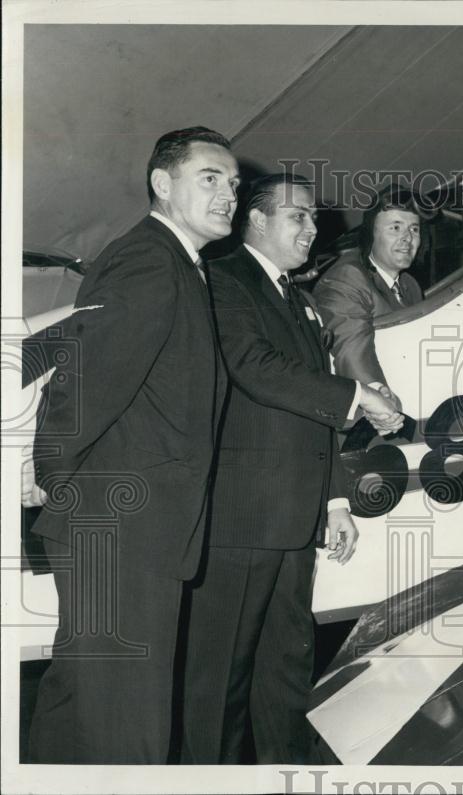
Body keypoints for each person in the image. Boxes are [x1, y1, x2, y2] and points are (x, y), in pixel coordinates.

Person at [26, 127, 239, 763]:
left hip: (128, 526)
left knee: (84, 712)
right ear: (162, 184)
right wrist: (57, 473)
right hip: (120, 527)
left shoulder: (181, 266)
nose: (228, 193)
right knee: (128, 728)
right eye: (210, 178)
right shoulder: (152, 258)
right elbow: (86, 369)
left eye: (233, 183)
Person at [180, 174, 402, 764]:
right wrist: (359, 397)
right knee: (221, 678)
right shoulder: (222, 283)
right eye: (298, 217)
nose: (313, 229)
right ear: (256, 221)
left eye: (312, 219)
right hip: (241, 520)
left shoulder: (299, 303)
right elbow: (255, 366)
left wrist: (334, 502)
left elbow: (310, 415)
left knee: (284, 670)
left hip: (294, 518)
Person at [311, 185, 424, 395]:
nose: (407, 238)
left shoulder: (410, 285)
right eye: (395, 228)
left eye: (414, 229)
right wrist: (378, 396)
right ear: (371, 233)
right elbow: (350, 350)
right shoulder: (348, 277)